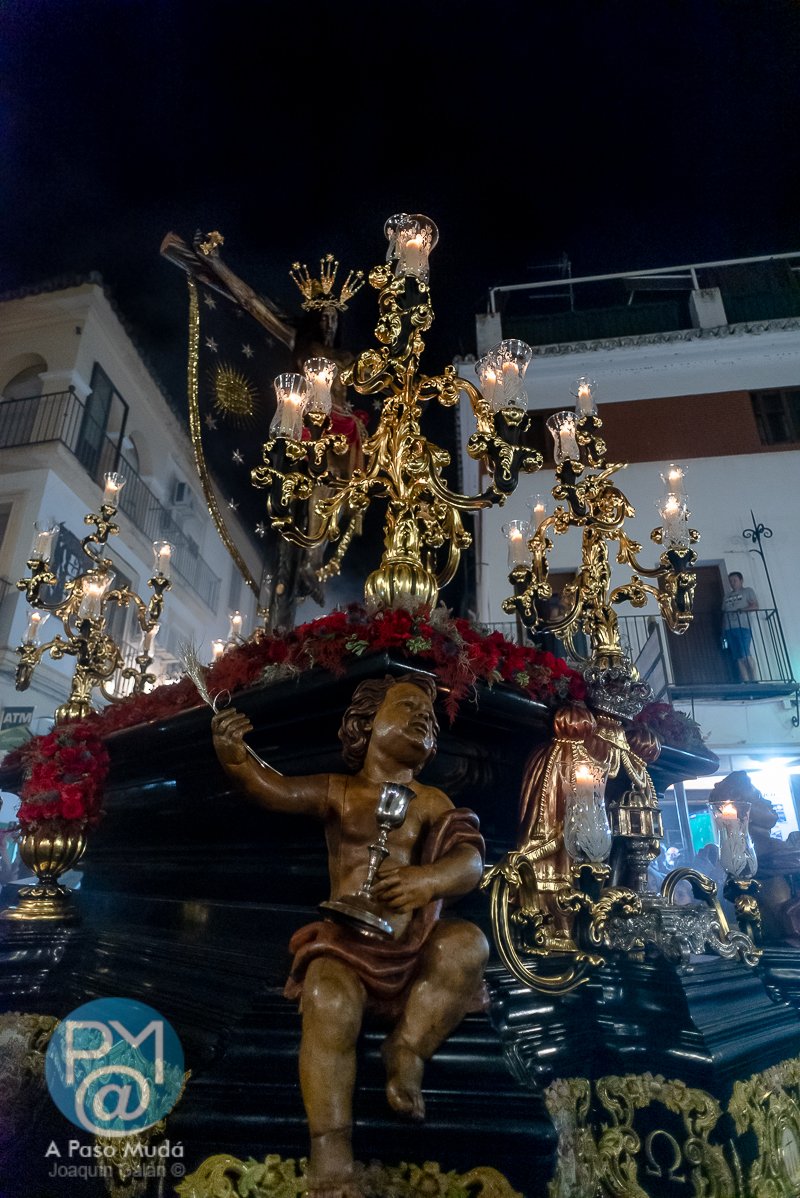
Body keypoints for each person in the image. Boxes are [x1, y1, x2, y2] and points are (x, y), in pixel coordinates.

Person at [211, 674, 488, 1198]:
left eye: (429, 716)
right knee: (328, 999)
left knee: (469, 943)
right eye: (405, 706)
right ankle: (331, 1151)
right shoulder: (340, 791)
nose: (422, 717)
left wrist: (424, 880)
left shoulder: (430, 801)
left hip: (414, 949)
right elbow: (276, 789)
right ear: (364, 723)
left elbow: (470, 862)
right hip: (347, 944)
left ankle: (407, 1050)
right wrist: (235, 757)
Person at [721, 572, 759, 682]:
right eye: (730, 581)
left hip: (743, 626)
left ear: (741, 581)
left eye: (735, 580)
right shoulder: (726, 596)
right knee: (738, 656)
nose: (732, 583)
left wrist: (742, 610)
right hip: (729, 628)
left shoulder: (747, 591)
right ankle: (746, 681)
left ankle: (755, 680)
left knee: (745, 653)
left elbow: (755, 606)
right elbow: (724, 613)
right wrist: (723, 631)